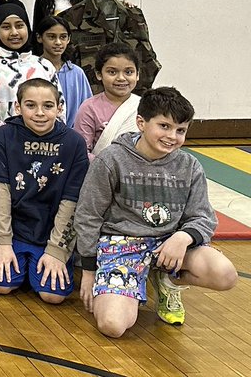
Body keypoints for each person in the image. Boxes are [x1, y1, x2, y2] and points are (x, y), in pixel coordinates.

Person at [75, 87, 238, 336]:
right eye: (164, 126)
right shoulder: (111, 160)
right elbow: (88, 214)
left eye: (180, 130)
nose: (172, 136)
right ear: (141, 122)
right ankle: (132, 284)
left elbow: (203, 217)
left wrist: (182, 238)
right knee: (113, 326)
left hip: (168, 246)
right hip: (122, 245)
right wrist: (89, 269)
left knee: (225, 275)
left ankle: (168, 281)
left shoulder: (189, 165)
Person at [0, 79, 88, 304]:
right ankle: (26, 264)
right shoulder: (3, 136)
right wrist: (2, 242)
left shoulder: (74, 143)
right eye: (31, 105)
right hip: (15, 229)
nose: (40, 113)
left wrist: (57, 250)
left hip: (51, 231)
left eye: (48, 106)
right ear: (18, 108)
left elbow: (72, 200)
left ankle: (35, 265)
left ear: (59, 108)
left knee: (53, 295)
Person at [0, 4, 60, 138]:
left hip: (46, 146)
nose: (14, 32)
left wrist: (48, 141)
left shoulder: (44, 65)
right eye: (6, 27)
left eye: (19, 26)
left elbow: (59, 109)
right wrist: (9, 144)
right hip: (4, 146)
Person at [74, 43, 141, 155]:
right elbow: (81, 152)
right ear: (99, 74)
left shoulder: (146, 106)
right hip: (100, 170)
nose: (121, 78)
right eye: (112, 72)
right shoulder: (89, 108)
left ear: (137, 74)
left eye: (128, 72)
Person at [35, 15, 90, 127]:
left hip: (72, 135)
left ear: (69, 39)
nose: (58, 42)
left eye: (63, 37)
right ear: (39, 37)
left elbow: (88, 108)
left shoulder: (76, 73)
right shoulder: (32, 69)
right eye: (51, 37)